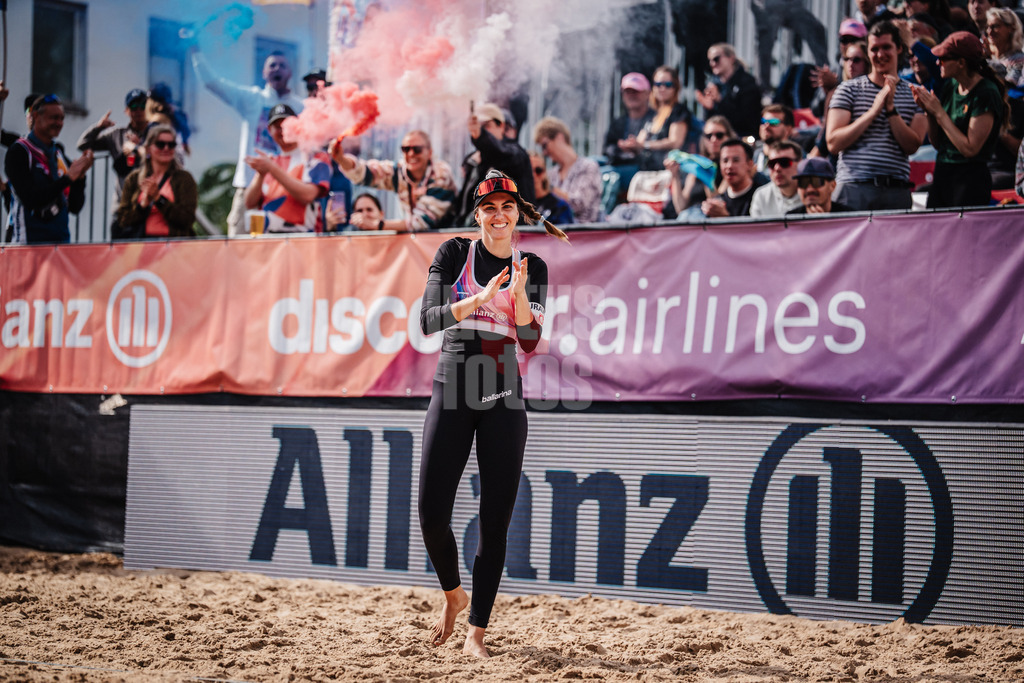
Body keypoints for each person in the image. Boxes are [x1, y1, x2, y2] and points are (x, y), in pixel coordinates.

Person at [418, 170, 567, 659]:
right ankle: (453, 595)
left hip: (503, 394)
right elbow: (428, 320)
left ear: (518, 213)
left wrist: (519, 298)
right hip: (453, 387)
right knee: (431, 514)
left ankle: (476, 631)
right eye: (489, 207)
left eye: (507, 206)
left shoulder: (534, 265)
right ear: (477, 214)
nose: (498, 215)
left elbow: (528, 341)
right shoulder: (455, 253)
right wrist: (479, 299)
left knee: (494, 522)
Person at [191, 47, 304, 235]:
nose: (277, 69)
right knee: (238, 242)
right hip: (249, 185)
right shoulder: (252, 99)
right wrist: (196, 52)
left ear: (290, 72)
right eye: (272, 65)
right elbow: (213, 83)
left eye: (282, 65)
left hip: (284, 188)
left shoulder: (301, 107)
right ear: (264, 72)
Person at [826, 20, 929, 210]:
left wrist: (890, 110)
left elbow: (912, 145)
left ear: (899, 48)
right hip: (854, 187)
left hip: (896, 189)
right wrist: (873, 111)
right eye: (874, 49)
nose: (880, 55)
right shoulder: (848, 89)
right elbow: (833, 142)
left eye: (886, 47)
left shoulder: (914, 93)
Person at [912, 31, 1007, 208]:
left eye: (944, 58)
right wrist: (930, 113)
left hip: (969, 180)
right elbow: (939, 144)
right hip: (943, 173)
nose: (938, 62)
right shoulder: (950, 87)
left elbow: (970, 148)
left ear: (961, 63)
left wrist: (939, 112)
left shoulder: (986, 92)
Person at [5, 95, 94, 244]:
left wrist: (80, 178)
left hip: (60, 245)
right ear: (35, 116)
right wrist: (67, 179)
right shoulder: (19, 151)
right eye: (53, 118)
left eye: (61, 118)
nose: (59, 123)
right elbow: (31, 199)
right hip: (29, 245)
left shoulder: (58, 154)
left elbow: (74, 207)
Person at [330, 129, 457, 231]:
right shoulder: (400, 171)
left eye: (417, 149)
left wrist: (377, 225)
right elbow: (365, 173)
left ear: (429, 152)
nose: (411, 154)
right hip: (419, 245)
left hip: (448, 243)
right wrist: (341, 159)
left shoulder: (440, 174)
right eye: (406, 149)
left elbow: (422, 222)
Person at [244, 104, 331, 233]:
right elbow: (249, 203)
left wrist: (272, 168)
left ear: (298, 126)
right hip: (268, 243)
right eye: (277, 127)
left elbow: (308, 195)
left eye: (286, 125)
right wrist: (261, 174)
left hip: (304, 242)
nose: (282, 130)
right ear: (269, 130)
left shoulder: (316, 158)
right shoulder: (271, 161)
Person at [454, 103, 535, 226]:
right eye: (478, 126)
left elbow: (500, 153)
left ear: (501, 126)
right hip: (477, 236)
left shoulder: (516, 153)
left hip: (512, 236)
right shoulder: (473, 161)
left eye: (486, 125)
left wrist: (480, 136)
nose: (480, 130)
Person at [114, 124, 198, 238]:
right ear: (148, 149)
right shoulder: (134, 179)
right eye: (160, 144)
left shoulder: (184, 179)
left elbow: (187, 220)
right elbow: (123, 220)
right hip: (140, 248)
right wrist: (143, 205)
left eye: (171, 145)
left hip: (174, 247)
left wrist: (159, 199)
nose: (166, 148)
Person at [618, 66, 690, 171]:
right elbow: (640, 141)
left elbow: (675, 142)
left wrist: (645, 145)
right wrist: (631, 145)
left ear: (676, 87)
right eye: (658, 84)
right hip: (643, 167)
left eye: (668, 85)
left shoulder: (678, 111)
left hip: (664, 169)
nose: (662, 88)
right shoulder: (652, 113)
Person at [76, 88, 150, 192]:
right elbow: (82, 145)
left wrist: (137, 148)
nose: (138, 110)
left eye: (143, 105)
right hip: (123, 198)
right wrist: (98, 127)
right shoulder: (116, 134)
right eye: (134, 106)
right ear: (127, 111)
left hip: (149, 197)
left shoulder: (156, 134)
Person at [533, 116, 604, 223]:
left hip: (583, 234)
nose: (544, 152)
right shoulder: (552, 174)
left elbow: (579, 205)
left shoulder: (588, 167)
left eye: (545, 145)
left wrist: (547, 187)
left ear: (560, 137)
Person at [750, 0, 830, 93]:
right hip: (768, 4)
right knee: (765, 42)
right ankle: (763, 90)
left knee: (817, 29)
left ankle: (825, 81)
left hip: (792, 3)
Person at [665, 115, 737, 217]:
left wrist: (707, 180)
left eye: (719, 135)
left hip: (709, 218)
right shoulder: (699, 163)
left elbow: (717, 202)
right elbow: (680, 207)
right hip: (689, 217)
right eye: (708, 136)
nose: (713, 139)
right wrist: (675, 175)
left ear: (728, 136)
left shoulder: (729, 166)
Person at [695, 43, 762, 139]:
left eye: (716, 59)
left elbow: (748, 120)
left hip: (743, 138)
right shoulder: (714, 84)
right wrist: (709, 108)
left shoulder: (747, 83)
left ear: (731, 58)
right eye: (710, 60)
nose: (712, 63)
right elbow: (711, 122)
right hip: (719, 138)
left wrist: (720, 101)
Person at [603, 72, 655, 184]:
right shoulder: (618, 122)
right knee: (592, 163)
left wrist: (637, 149)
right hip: (618, 163)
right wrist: (621, 149)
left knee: (602, 174)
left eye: (636, 92)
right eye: (627, 92)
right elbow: (607, 148)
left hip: (642, 169)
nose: (631, 95)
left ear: (647, 94)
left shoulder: (655, 120)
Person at [701, 138, 768, 217]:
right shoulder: (719, 203)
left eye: (736, 160)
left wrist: (726, 218)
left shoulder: (764, 197)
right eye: (725, 161)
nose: (729, 166)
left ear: (750, 164)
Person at [750, 140, 805, 217]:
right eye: (772, 163)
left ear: (800, 164)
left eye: (784, 162)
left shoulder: (812, 192)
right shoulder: (761, 196)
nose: (777, 168)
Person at [787, 157, 854, 213]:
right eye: (803, 183)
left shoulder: (851, 219)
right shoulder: (789, 221)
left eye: (816, 182)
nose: (810, 189)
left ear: (832, 186)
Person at [529, 152, 574, 225]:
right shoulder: (516, 204)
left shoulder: (560, 206)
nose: (533, 175)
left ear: (544, 173)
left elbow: (565, 235)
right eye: (529, 170)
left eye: (538, 170)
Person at [984, 7, 1024, 86]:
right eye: (987, 27)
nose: (989, 31)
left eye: (995, 26)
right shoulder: (987, 56)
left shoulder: (1019, 59)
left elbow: (1009, 86)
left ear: (1011, 28)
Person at [753, 104, 796, 171]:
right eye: (763, 121)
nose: (766, 126)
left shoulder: (796, 156)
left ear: (788, 129)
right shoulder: (755, 154)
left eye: (773, 122)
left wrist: (755, 175)